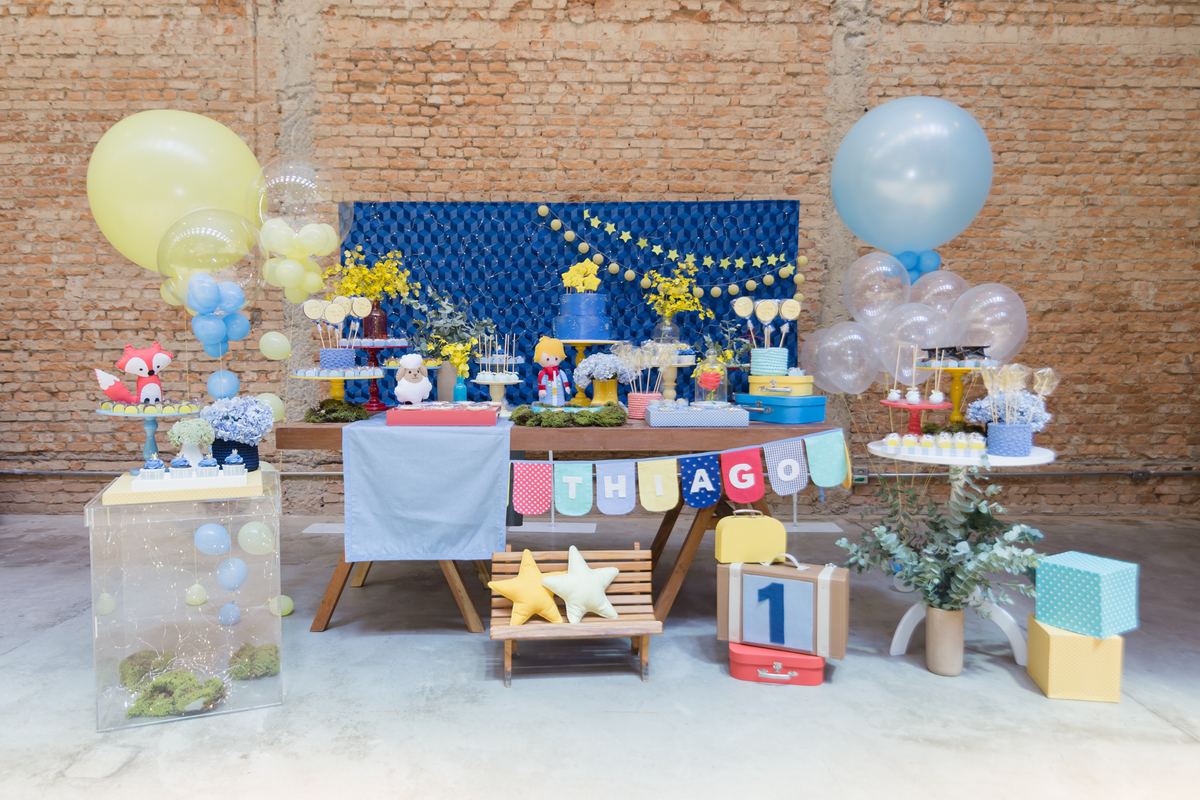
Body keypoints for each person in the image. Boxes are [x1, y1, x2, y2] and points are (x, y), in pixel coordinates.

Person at [535, 336, 571, 407]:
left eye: (556, 358)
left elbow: (564, 379)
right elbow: (541, 381)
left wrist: (566, 387)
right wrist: (542, 389)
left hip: (559, 393)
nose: (552, 362)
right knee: (546, 401)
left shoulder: (560, 372)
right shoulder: (543, 373)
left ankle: (560, 405)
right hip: (546, 395)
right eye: (547, 359)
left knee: (559, 399)